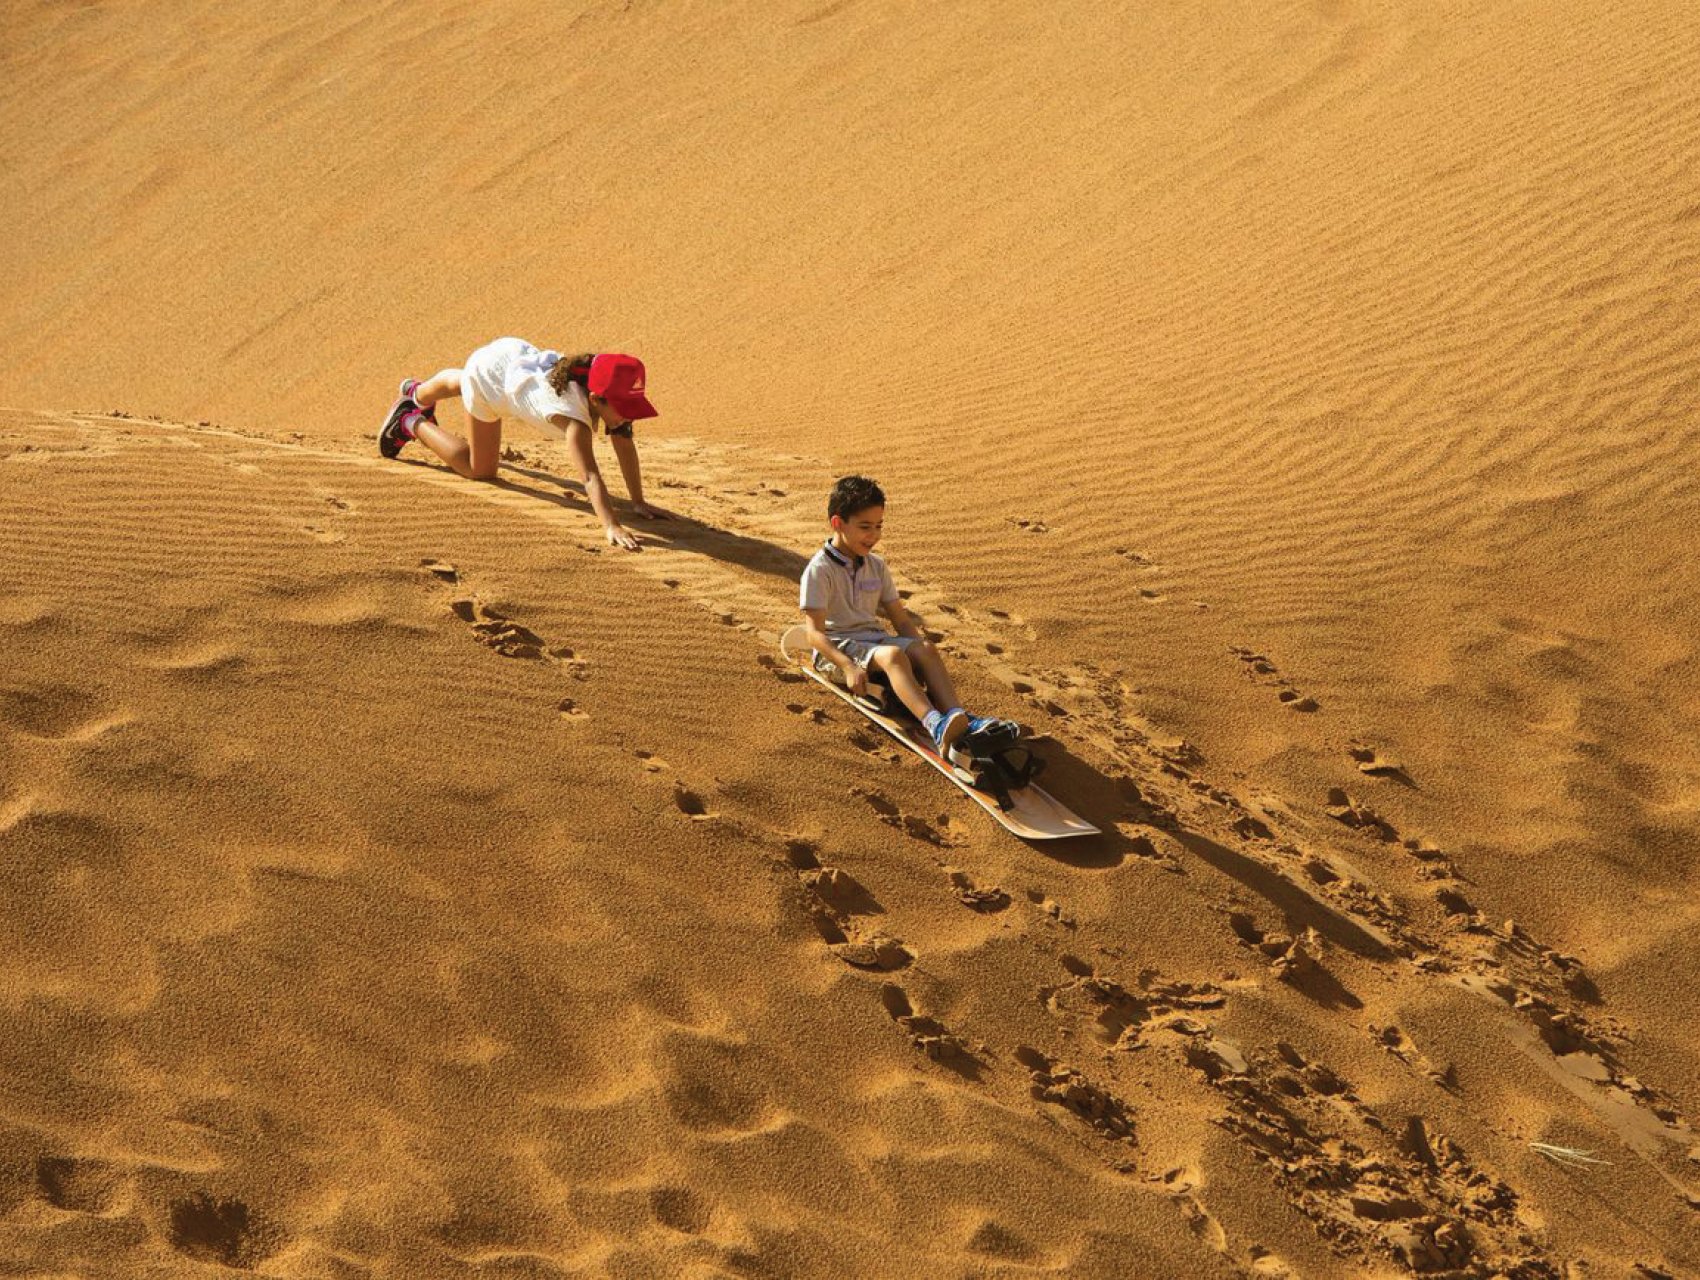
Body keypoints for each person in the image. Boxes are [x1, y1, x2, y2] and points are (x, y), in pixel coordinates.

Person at [377, 338, 670, 550]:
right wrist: (611, 525)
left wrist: (638, 501)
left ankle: (418, 393)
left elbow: (624, 443)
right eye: (625, 408)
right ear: (595, 399)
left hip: (507, 355)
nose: (629, 416)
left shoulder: (588, 377)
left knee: (466, 376)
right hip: (489, 383)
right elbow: (589, 476)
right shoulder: (573, 420)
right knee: (480, 469)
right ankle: (409, 421)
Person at [799, 475, 1016, 755]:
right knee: (893, 656)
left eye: (878, 526)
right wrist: (848, 667)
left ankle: (957, 717)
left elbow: (901, 620)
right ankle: (935, 724)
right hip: (837, 651)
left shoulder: (876, 566)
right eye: (865, 527)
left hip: (873, 642)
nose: (874, 535)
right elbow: (814, 634)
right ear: (838, 524)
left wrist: (917, 656)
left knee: (924, 648)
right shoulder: (819, 570)